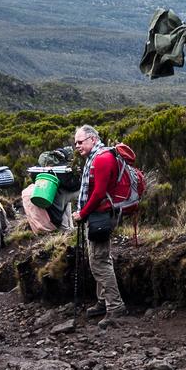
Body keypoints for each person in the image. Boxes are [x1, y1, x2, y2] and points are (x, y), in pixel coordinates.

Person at [71, 125, 128, 320]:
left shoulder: (102, 159)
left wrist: (82, 213)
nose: (77, 146)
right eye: (76, 143)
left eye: (81, 142)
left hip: (101, 216)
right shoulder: (95, 157)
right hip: (98, 216)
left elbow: (99, 193)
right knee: (100, 258)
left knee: (99, 262)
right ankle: (103, 301)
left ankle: (115, 306)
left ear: (93, 139)